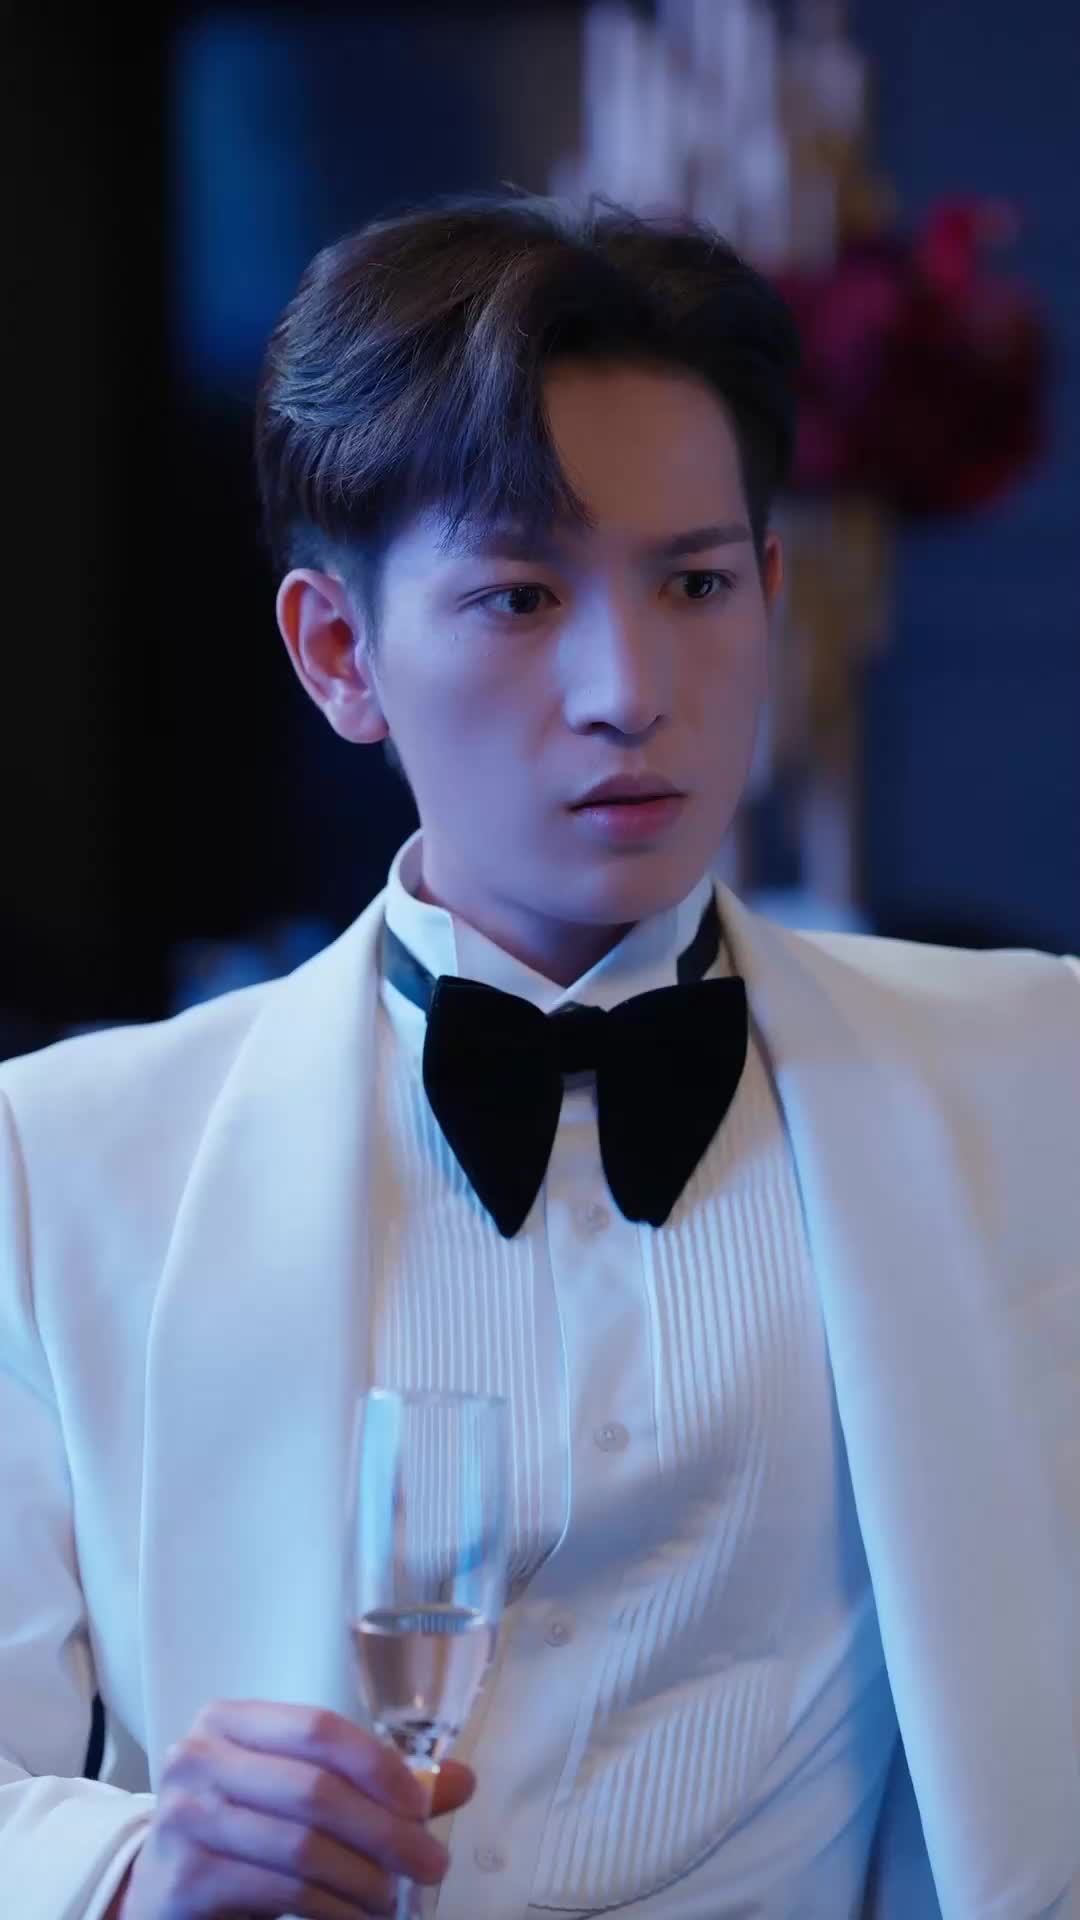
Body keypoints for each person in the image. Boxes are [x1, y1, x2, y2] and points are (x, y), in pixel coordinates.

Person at [1, 191, 1078, 1920]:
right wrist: (138, 1866)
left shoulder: (1035, 1080)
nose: (626, 687)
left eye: (696, 583)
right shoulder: (60, 1161)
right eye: (517, 596)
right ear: (340, 654)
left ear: (772, 594)